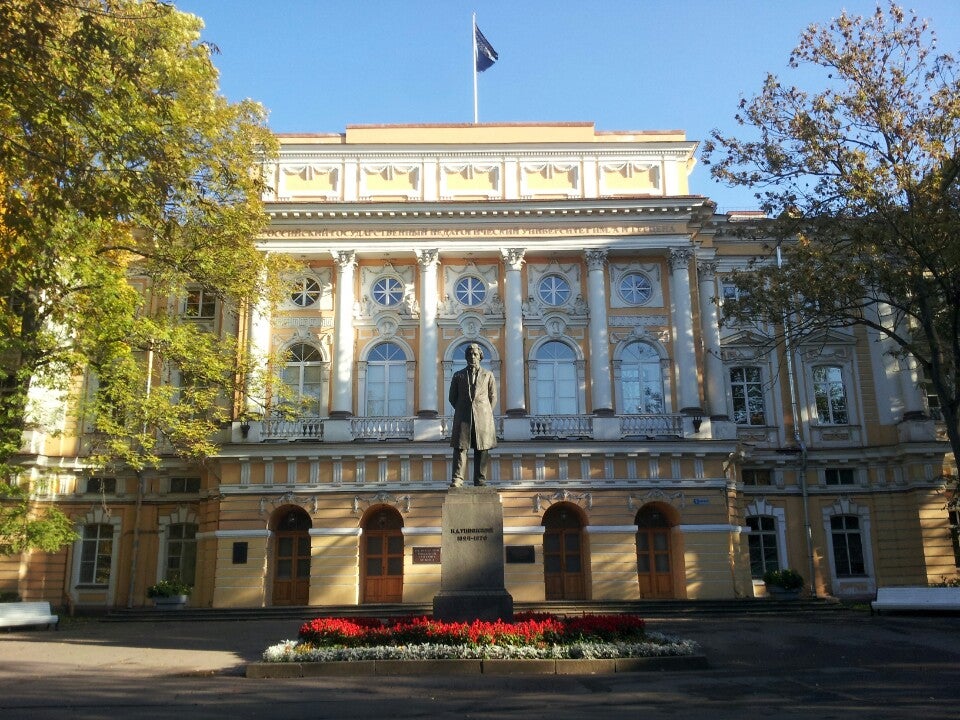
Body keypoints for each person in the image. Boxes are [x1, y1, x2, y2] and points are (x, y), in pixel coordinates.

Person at [448, 343, 497, 487]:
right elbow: (452, 398)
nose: (472, 357)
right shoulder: (458, 375)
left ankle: (480, 479)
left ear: (480, 357)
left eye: (475, 354)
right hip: (463, 416)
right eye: (469, 354)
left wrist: (485, 411)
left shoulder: (488, 375)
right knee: (460, 448)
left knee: (482, 448)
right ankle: (457, 479)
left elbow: (493, 397)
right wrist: (463, 409)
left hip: (483, 417)